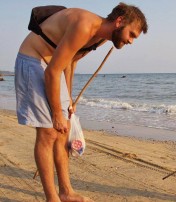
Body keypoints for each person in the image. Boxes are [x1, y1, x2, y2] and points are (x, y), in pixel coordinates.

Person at [14, 2, 148, 202]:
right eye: (132, 35)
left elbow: (70, 60)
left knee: (63, 130)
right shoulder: (85, 26)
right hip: (33, 60)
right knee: (49, 132)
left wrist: (68, 99)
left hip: (53, 65)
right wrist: (57, 114)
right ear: (119, 22)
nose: (131, 41)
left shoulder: (102, 37)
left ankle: (66, 192)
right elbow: (52, 72)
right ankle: (52, 198)